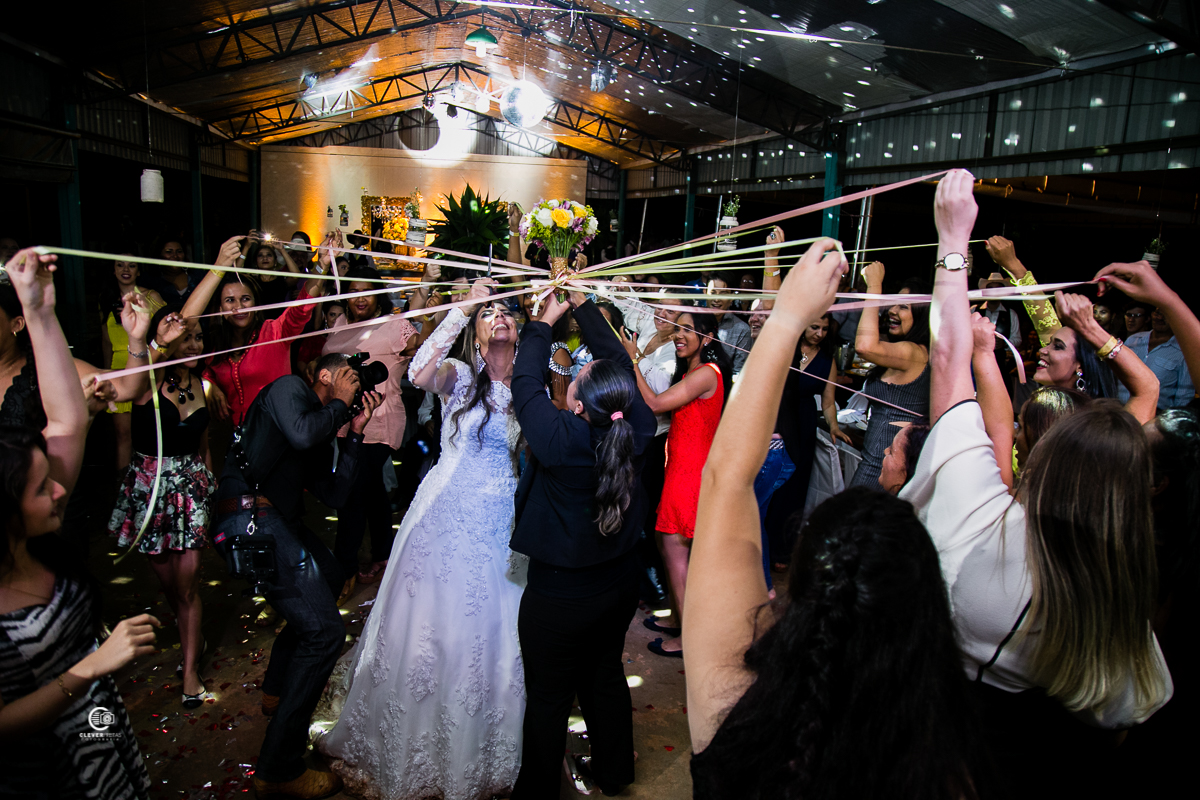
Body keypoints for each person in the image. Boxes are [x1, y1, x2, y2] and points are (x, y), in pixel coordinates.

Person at [683, 236, 991, 799]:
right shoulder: (951, 771)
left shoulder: (733, 708)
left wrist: (785, 318)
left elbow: (726, 479)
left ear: (796, 584)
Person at [902, 169, 1172, 798]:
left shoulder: (983, 533)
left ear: (1042, 455)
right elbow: (1133, 711)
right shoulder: (1118, 620)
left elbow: (956, 383)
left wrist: (953, 239)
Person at [316, 279, 527, 800]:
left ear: (520, 329)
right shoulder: (460, 375)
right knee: (432, 624)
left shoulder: (533, 382)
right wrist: (461, 308)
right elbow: (417, 372)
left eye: (506, 311)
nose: (497, 316)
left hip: (503, 516)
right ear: (476, 333)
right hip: (444, 513)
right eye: (489, 313)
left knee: (494, 628)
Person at [0, 248, 160, 800]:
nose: (64, 492)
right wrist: (91, 667)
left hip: (98, 727)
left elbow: (68, 418)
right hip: (40, 771)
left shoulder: (41, 543)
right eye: (45, 489)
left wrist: (40, 310)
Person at [212, 352, 379, 800]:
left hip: (277, 523)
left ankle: (275, 690)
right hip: (249, 517)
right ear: (323, 375)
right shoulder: (290, 390)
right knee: (325, 633)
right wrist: (340, 405)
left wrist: (355, 435)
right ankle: (278, 768)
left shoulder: (322, 422)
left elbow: (336, 494)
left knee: (327, 577)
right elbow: (303, 435)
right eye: (347, 376)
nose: (352, 385)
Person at [509, 291, 657, 798]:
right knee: (605, 676)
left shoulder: (560, 438)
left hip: (559, 596)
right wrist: (582, 306)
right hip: (618, 587)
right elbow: (616, 361)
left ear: (576, 404)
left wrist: (544, 320)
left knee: (549, 698)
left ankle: (536, 793)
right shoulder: (637, 429)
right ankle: (615, 773)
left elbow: (524, 381)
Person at [107, 306, 212, 709]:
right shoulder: (146, 382)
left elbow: (204, 447)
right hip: (151, 493)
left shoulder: (203, 384)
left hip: (191, 494)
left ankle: (190, 670)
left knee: (188, 585)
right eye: (186, 336)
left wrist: (208, 486)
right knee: (169, 583)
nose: (193, 344)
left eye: (199, 336)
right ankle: (192, 635)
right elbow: (137, 373)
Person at [631, 311, 731, 657]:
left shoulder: (706, 373)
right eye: (678, 329)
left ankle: (689, 638)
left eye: (688, 330)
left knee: (676, 553)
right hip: (679, 469)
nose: (679, 335)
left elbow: (656, 404)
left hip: (691, 475)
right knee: (666, 543)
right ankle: (676, 617)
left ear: (708, 338)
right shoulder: (692, 371)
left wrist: (632, 359)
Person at [322, 266, 417, 598]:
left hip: (380, 417)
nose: (360, 298)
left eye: (366, 291)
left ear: (378, 294)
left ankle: (344, 570)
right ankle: (384, 553)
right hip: (343, 418)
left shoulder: (394, 325)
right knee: (372, 487)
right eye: (354, 291)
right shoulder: (339, 324)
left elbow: (422, 349)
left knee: (351, 491)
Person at [187, 235, 325, 426]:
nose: (239, 307)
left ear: (255, 303)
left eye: (245, 299)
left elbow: (302, 305)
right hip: (240, 439)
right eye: (230, 300)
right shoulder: (217, 344)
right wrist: (210, 386)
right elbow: (208, 372)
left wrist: (322, 264)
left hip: (278, 434)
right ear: (220, 308)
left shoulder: (274, 332)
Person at [850, 262, 931, 488]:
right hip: (874, 465)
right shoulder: (905, 348)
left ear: (922, 314)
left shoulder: (915, 352)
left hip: (884, 472)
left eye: (904, 306)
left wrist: (874, 285)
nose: (893, 310)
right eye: (893, 303)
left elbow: (865, 345)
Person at [99, 254, 165, 472]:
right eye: (120, 264)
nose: (125, 269)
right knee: (122, 435)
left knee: (148, 430)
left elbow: (165, 331)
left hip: (146, 365)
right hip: (118, 368)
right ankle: (123, 490)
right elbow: (106, 341)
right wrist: (106, 373)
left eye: (132, 265)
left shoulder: (151, 296)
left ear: (139, 270)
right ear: (113, 269)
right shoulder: (107, 298)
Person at [1118, 306, 1195, 409]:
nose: (1159, 317)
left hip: (1154, 419)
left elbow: (1184, 397)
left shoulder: (1183, 352)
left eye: (1166, 314)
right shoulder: (1133, 340)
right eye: (1157, 312)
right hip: (1121, 413)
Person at [705, 277, 752, 374]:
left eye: (723, 294)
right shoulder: (693, 322)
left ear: (731, 298)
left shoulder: (742, 330)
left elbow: (738, 372)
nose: (716, 299)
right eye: (713, 293)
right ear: (705, 294)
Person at [145, 239, 201, 305]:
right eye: (169, 252)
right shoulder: (150, 281)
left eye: (179, 251)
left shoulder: (198, 275)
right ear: (159, 255)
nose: (175, 256)